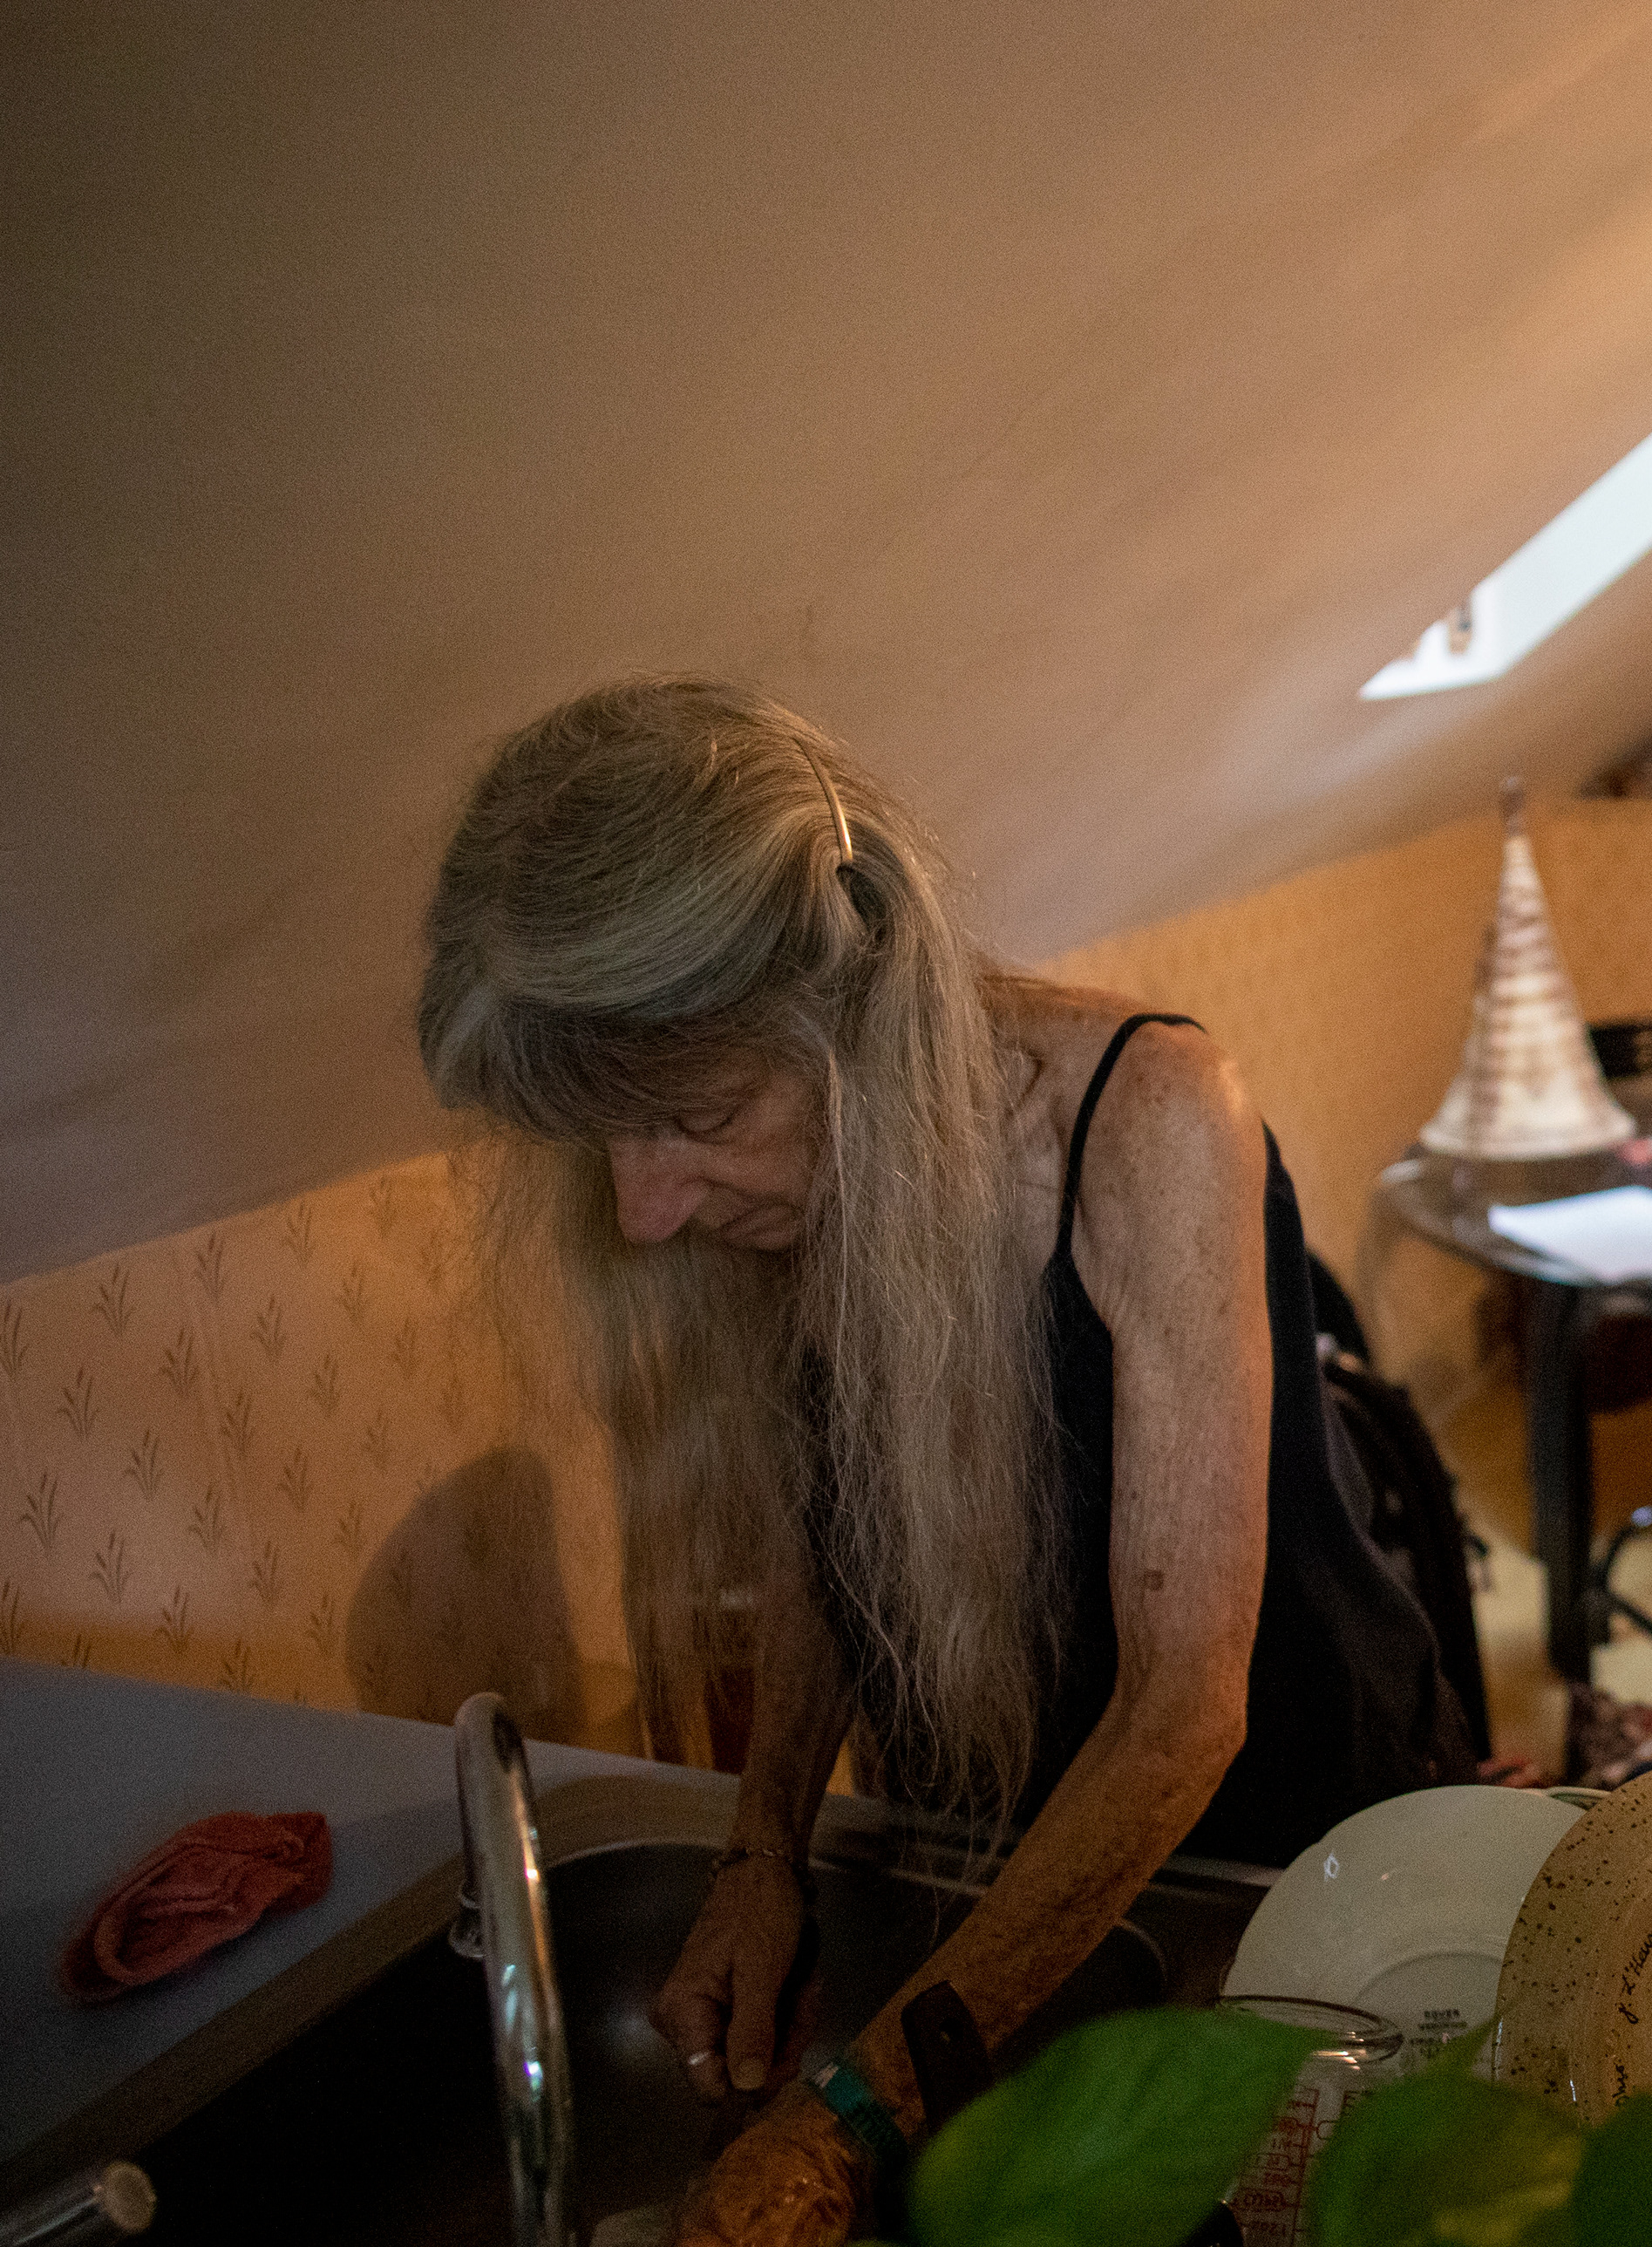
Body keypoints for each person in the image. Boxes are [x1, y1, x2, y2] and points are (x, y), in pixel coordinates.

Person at [418, 677, 1470, 2243]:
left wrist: (852, 2108)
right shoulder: (790, 1184)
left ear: (857, 1031)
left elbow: (1186, 1707)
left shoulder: (1152, 1115)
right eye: (609, 1144)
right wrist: (762, 1844)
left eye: (697, 1115)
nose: (642, 1209)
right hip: (1014, 1870)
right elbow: (824, 1529)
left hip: (1297, 1868)